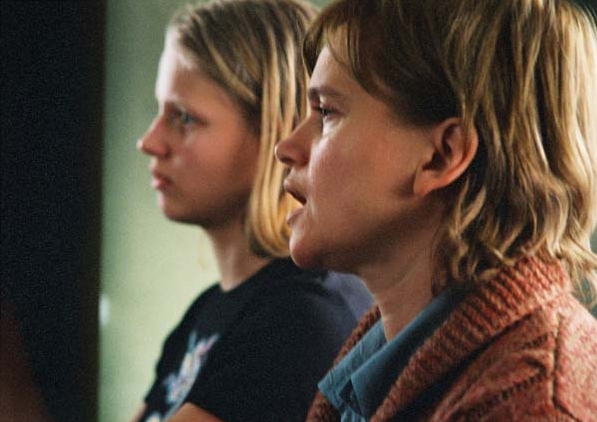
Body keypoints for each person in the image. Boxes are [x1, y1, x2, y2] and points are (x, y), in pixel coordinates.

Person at [275, 0, 597, 420]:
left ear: (441, 157)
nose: (286, 148)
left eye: (326, 113)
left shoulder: (535, 406)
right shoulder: (384, 355)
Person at [133, 0, 373, 421]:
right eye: (160, 111)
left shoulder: (299, 318)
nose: (149, 142)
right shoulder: (208, 310)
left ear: (274, 130)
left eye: (184, 118)